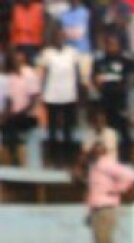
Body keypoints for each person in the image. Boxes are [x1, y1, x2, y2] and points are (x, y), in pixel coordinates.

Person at [84, 140, 134, 243]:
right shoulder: (94, 165)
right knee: (100, 242)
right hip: (97, 208)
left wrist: (117, 189)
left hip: (105, 207)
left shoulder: (105, 164)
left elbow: (129, 175)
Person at [39, 27, 84, 167]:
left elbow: (77, 74)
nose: (59, 39)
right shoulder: (47, 53)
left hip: (69, 95)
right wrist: (42, 93)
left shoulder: (72, 53)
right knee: (52, 130)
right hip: (52, 95)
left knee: (68, 129)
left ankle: (68, 159)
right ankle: (54, 159)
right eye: (56, 36)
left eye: (61, 36)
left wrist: (79, 92)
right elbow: (44, 74)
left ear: (65, 38)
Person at [92, 33, 134, 164]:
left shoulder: (125, 61)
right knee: (106, 133)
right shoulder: (100, 62)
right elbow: (95, 79)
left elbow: (130, 79)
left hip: (120, 102)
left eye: (113, 44)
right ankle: (107, 160)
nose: (111, 47)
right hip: (105, 102)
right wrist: (97, 82)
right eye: (108, 44)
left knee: (124, 133)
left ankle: (126, 160)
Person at [2, 48, 41, 165]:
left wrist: (19, 112)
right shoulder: (5, 76)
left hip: (27, 115)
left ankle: (14, 158)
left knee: (10, 123)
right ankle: (10, 156)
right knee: (8, 122)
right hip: (8, 115)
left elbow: (34, 99)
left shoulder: (28, 73)